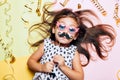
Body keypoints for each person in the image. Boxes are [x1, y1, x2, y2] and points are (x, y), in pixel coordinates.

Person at [27, 4, 116, 80]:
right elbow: (30, 62)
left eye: (71, 29)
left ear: (75, 36)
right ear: (54, 29)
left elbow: (80, 77)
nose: (66, 32)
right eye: (62, 26)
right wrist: (42, 67)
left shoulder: (73, 52)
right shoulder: (46, 44)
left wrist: (63, 67)